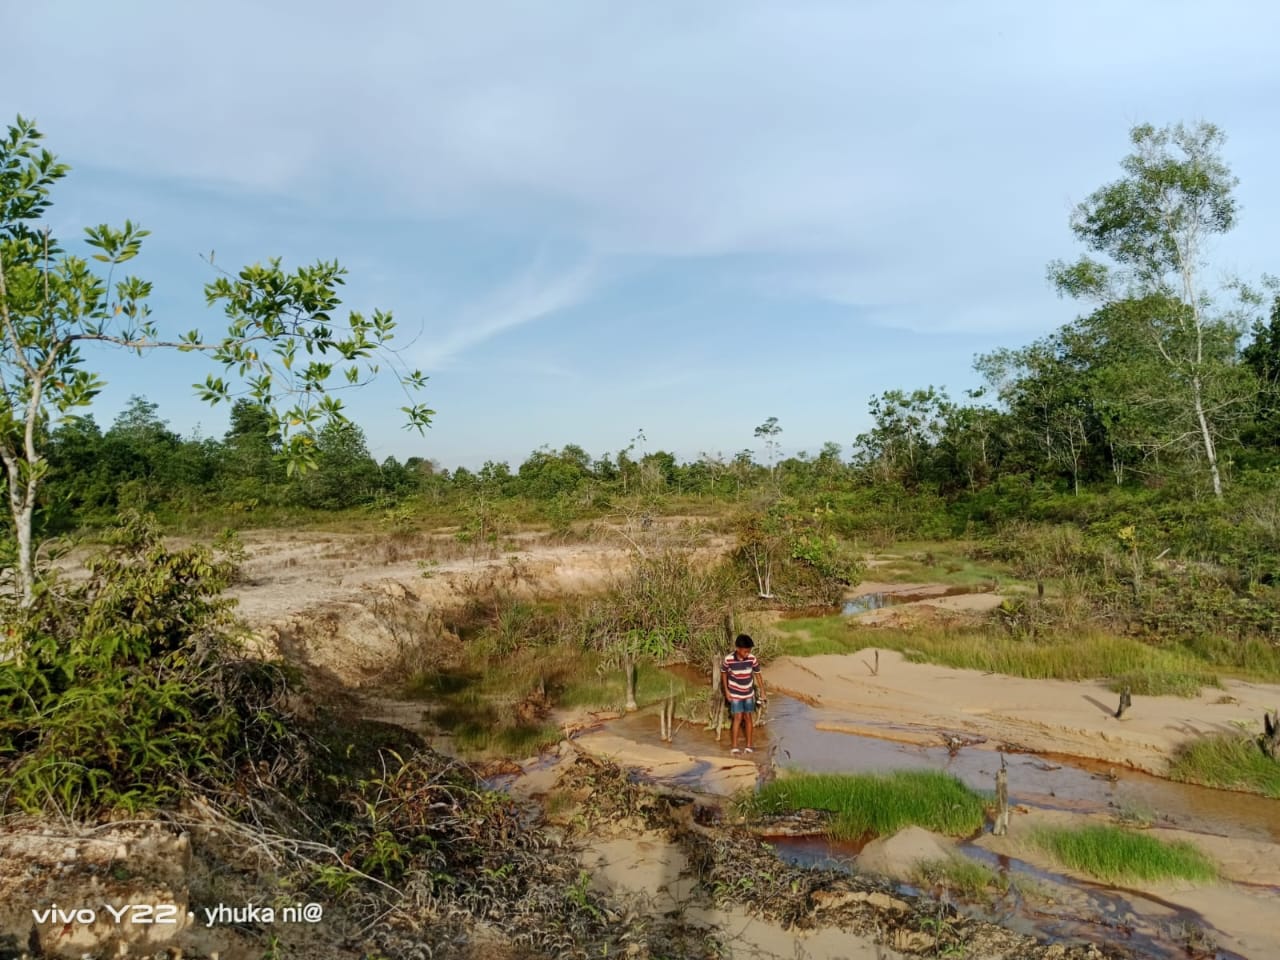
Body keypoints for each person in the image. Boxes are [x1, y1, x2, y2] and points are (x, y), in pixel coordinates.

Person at [721, 633, 766, 755]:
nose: (747, 653)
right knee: (737, 718)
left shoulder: (752, 659)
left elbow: (758, 674)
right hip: (735, 694)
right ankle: (734, 746)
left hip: (748, 694)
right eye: (745, 651)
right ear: (738, 649)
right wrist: (726, 691)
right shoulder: (728, 659)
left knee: (748, 717)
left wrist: (762, 691)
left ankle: (749, 745)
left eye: (749, 651)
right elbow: (724, 673)